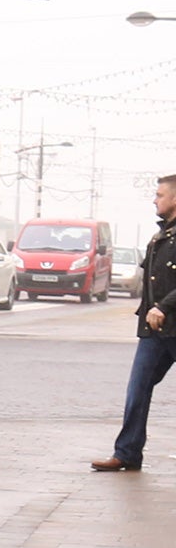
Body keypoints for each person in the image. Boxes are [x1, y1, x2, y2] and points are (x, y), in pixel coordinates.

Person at [94, 173, 176, 473]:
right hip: (155, 331)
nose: (155, 199)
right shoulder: (161, 235)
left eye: (160, 195)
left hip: (171, 322)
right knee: (137, 388)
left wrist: (163, 306)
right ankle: (127, 453)